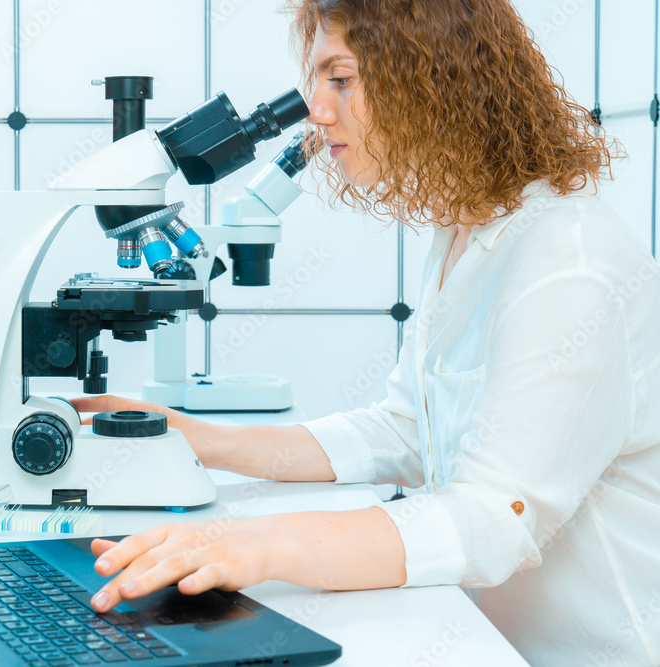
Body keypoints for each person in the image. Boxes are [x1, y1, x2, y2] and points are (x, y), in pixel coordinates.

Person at [73, 1, 660, 664]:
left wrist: (258, 545)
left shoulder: (568, 262)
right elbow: (405, 430)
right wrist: (199, 438)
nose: (317, 111)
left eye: (341, 79)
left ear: (435, 78)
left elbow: (495, 519)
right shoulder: (464, 233)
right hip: (484, 641)